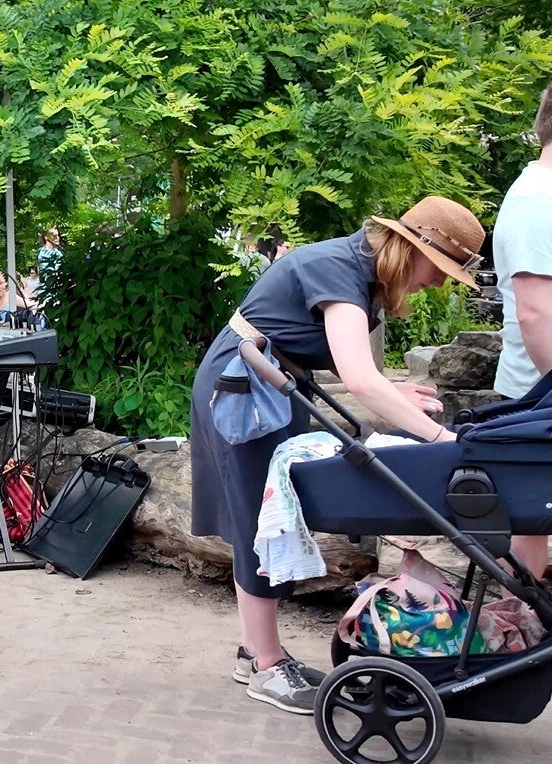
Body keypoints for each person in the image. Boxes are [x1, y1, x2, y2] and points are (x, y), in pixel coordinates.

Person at [191, 195, 485, 715]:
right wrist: (443, 440)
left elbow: (337, 359)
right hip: (246, 389)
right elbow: (361, 378)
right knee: (260, 517)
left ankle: (256, 651)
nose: (440, 282)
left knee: (269, 512)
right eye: (440, 268)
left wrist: (395, 393)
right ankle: (266, 665)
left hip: (274, 383)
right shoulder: (338, 269)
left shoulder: (359, 271)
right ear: (411, 248)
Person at [493, 81, 552, 582]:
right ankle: (522, 616)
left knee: (534, 520)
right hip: (540, 392)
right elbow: (535, 314)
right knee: (531, 518)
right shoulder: (539, 202)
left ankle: (524, 617)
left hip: (539, 392)